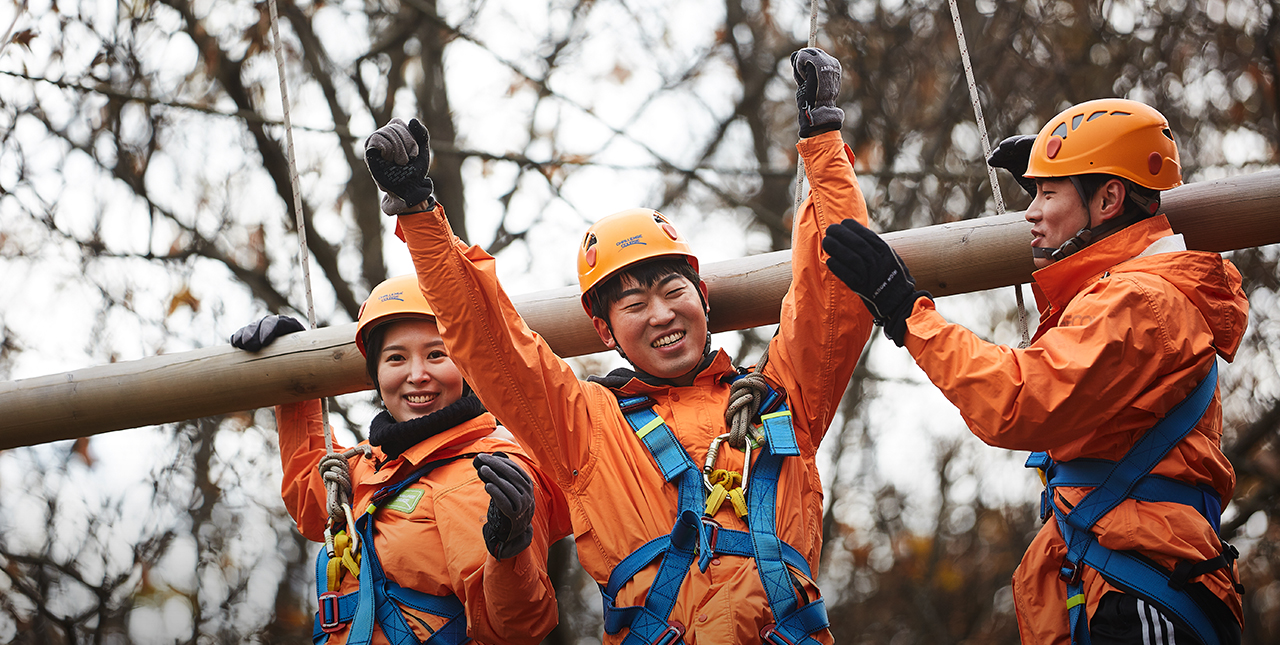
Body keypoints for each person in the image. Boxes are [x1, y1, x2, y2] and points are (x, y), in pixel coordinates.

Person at [360, 48, 874, 644]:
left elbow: (837, 293)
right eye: (632, 305)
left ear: (702, 296)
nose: (660, 314)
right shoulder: (585, 426)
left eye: (671, 290)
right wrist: (421, 214)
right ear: (605, 331)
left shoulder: (783, 396)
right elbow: (490, 341)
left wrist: (822, 138)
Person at [822, 98, 1247, 644]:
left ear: (1109, 198)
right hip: (1120, 582)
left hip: (1139, 594)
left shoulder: (1140, 302)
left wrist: (906, 312)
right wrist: (1065, 202)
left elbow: (1021, 399)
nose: (1031, 211)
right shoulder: (1123, 295)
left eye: (1048, 194)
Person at [230, 274, 571, 645]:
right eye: (396, 358)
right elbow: (313, 504)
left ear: (466, 365)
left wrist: (510, 549)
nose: (417, 375)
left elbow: (515, 631)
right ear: (376, 375)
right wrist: (292, 374)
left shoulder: (487, 470)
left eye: (437, 354)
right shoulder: (372, 464)